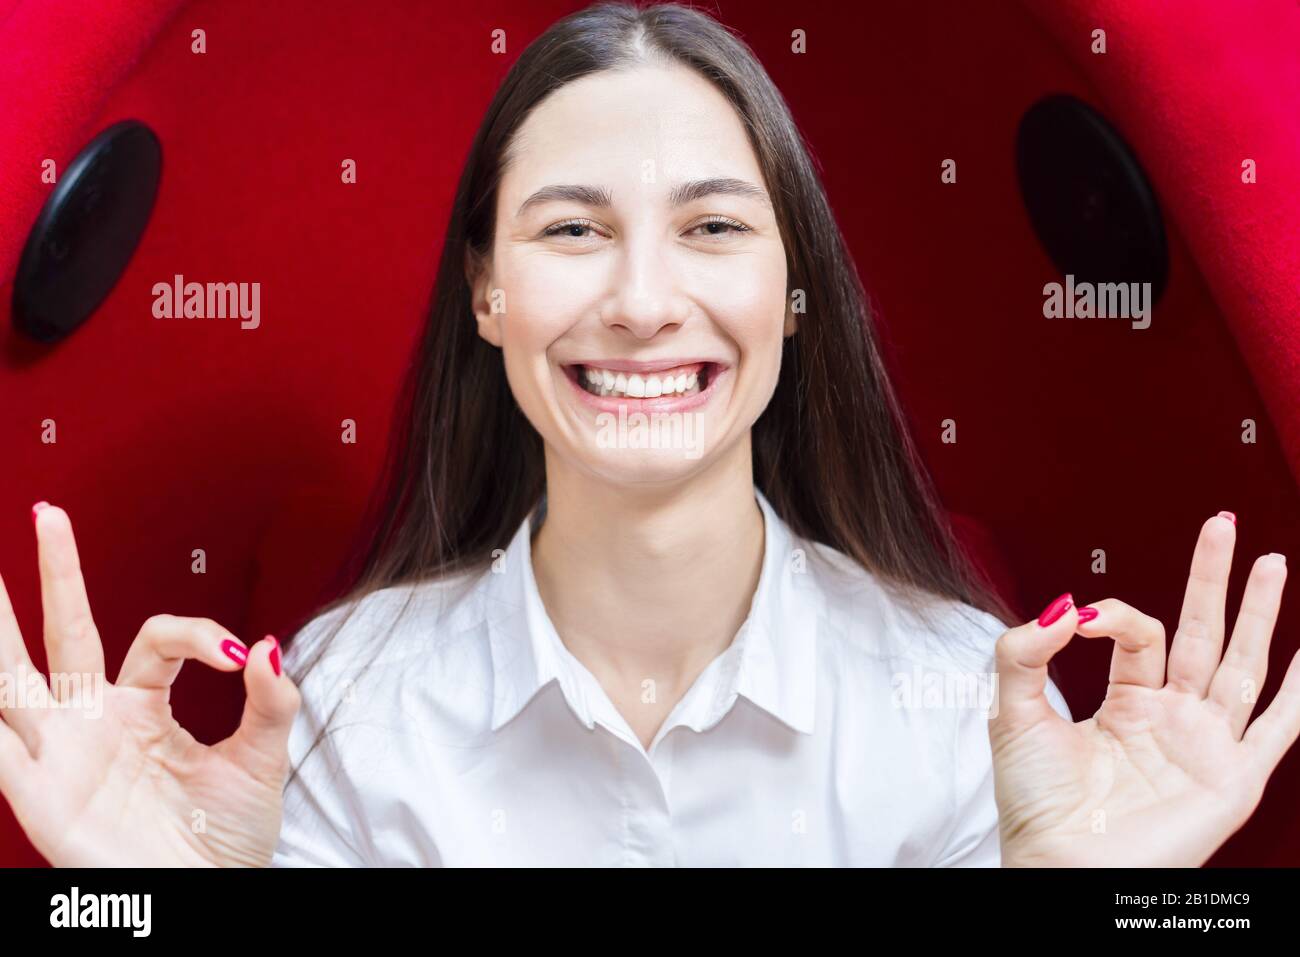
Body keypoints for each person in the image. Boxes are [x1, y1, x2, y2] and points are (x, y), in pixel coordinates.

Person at [1, 2, 1296, 867]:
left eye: (714, 227)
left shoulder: (962, 696)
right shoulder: (343, 696)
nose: (638, 301)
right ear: (489, 292)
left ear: (795, 296)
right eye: (572, 229)